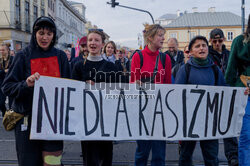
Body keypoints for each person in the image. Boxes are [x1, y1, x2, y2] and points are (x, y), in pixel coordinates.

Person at [2, 16, 70, 166]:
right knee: (29, 163)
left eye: (49, 34)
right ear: (34, 34)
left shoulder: (61, 57)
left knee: (52, 163)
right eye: (41, 33)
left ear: (53, 36)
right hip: (27, 124)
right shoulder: (22, 56)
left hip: (53, 124)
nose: (45, 37)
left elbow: (69, 88)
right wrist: (26, 84)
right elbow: (7, 87)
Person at [175, 36, 227, 166]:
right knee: (185, 156)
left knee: (211, 157)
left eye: (204, 45)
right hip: (189, 121)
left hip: (210, 120)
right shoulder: (185, 69)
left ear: (207, 49)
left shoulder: (215, 70)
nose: (202, 48)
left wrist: (241, 93)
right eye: (197, 46)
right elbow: (176, 94)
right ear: (191, 52)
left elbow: (225, 93)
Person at [72, 29, 121, 166]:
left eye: (96, 40)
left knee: (106, 157)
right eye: (90, 40)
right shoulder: (78, 67)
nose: (93, 43)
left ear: (102, 44)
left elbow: (118, 92)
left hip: (106, 119)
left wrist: (101, 87)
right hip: (86, 120)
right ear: (87, 44)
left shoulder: (112, 67)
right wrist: (85, 86)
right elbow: (73, 92)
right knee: (89, 157)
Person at [130, 24, 172, 166]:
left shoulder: (165, 58)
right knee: (142, 152)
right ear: (150, 37)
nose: (163, 38)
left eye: (163, 35)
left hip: (160, 111)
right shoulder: (138, 56)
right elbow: (133, 85)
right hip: (143, 111)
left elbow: (168, 86)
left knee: (159, 154)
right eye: (160, 35)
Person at [209, 28, 238, 166]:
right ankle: (212, 156)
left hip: (227, 94)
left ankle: (232, 155)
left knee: (228, 125)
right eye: (214, 41)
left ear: (224, 40)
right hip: (211, 95)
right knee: (212, 127)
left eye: (219, 40)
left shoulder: (229, 54)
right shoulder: (207, 55)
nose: (217, 43)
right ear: (211, 41)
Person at [225, 14, 250, 166]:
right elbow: (231, 68)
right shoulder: (239, 41)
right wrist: (229, 92)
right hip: (245, 94)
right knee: (246, 136)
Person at [0, 43, 13, 116]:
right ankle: (5, 114)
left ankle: (11, 119)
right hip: (1, 84)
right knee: (1, 103)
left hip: (11, 84)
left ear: (7, 50)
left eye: (3, 50)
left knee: (12, 105)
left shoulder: (13, 59)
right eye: (0, 50)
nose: (1, 51)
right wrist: (3, 71)